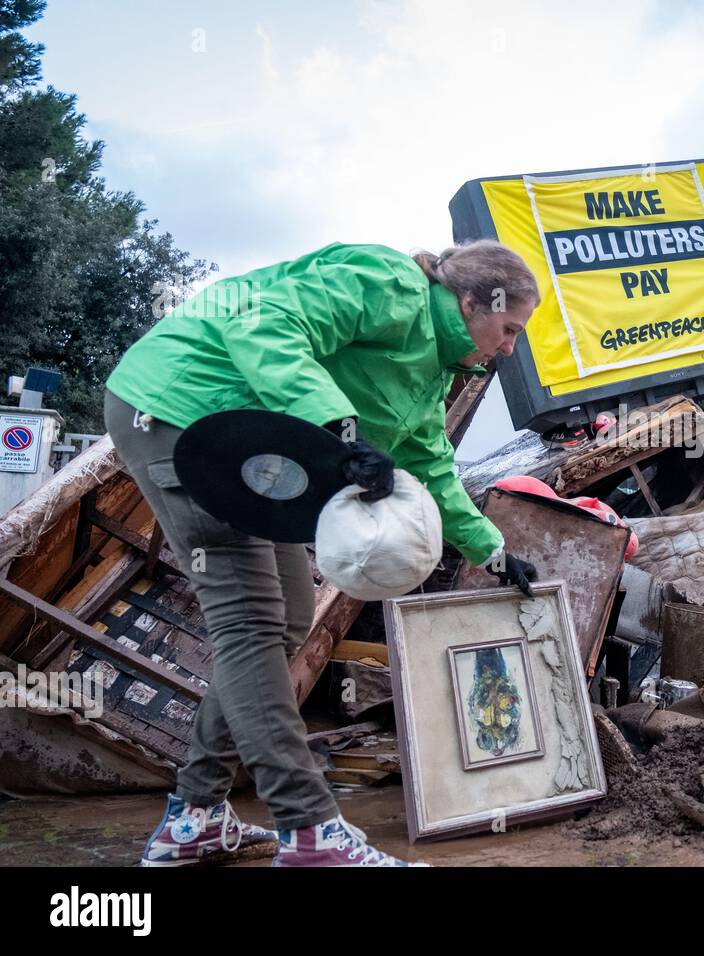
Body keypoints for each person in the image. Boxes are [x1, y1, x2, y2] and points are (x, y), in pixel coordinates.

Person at [103, 240, 540, 866]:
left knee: (288, 616)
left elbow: (430, 469)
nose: (509, 346)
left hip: (242, 440)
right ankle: (309, 831)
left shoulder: (433, 375)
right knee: (249, 618)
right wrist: (340, 429)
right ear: (471, 301)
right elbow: (265, 322)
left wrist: (494, 555)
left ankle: (193, 816)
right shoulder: (388, 281)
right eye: (508, 328)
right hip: (180, 412)